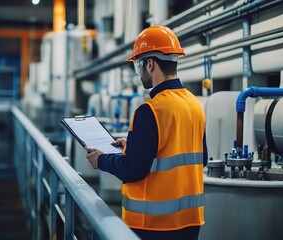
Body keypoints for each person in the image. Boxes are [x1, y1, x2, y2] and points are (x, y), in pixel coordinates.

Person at [85, 26, 208, 240]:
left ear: (150, 64)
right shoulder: (194, 104)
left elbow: (132, 170)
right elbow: (200, 158)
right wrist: (133, 148)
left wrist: (101, 160)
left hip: (153, 226)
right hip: (190, 222)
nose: (139, 74)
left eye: (138, 66)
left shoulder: (150, 110)